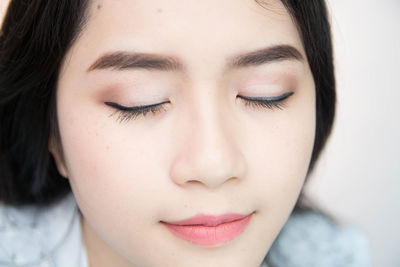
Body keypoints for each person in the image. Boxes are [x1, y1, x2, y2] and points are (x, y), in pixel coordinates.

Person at [0, 0, 370, 266]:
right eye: (140, 101)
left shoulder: (336, 255)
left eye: (266, 93)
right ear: (51, 129)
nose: (214, 164)